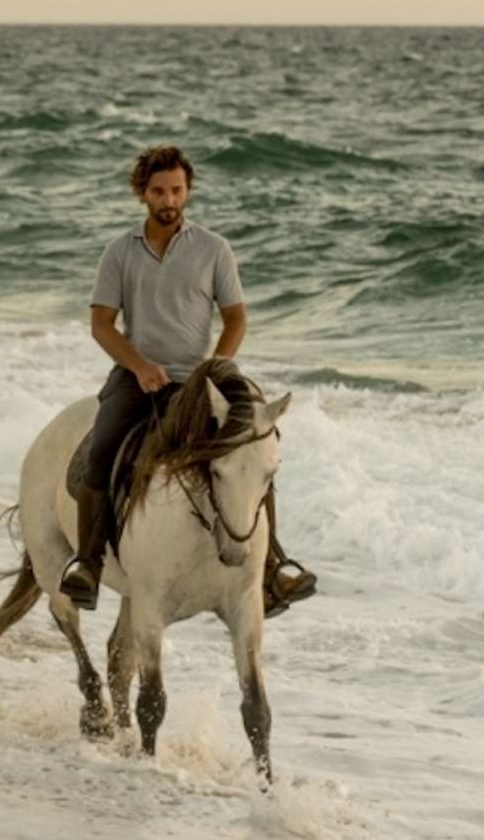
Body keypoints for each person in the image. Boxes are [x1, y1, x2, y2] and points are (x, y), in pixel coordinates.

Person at [59, 144, 316, 615]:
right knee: (101, 450)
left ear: (188, 191)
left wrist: (214, 366)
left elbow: (236, 319)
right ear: (143, 193)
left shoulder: (213, 249)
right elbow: (101, 325)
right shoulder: (119, 252)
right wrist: (137, 365)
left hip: (203, 380)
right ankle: (88, 564)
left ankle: (272, 568)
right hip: (137, 378)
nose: (169, 199)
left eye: (177, 190)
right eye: (159, 191)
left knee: (252, 450)